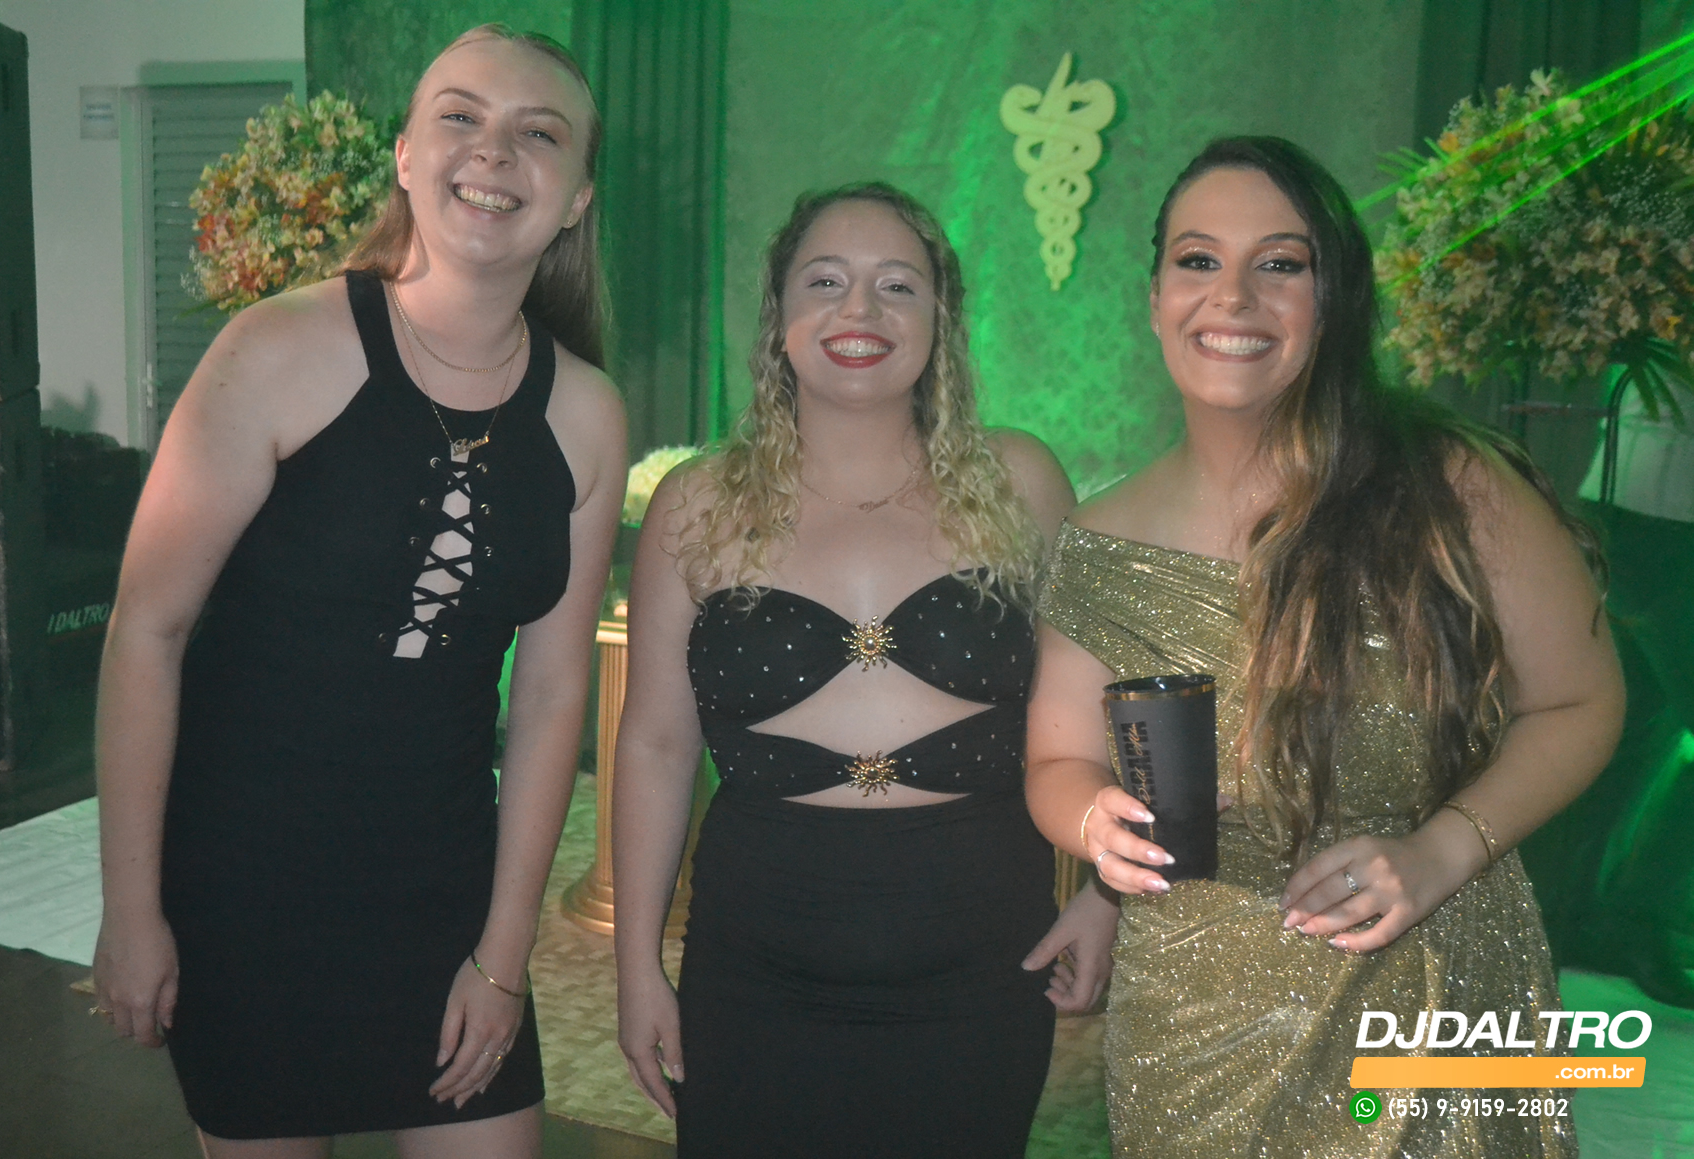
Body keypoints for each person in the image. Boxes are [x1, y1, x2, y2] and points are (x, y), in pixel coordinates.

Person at [1025, 137, 1624, 1157]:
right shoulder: (1099, 537)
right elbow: (1056, 758)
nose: (1234, 296)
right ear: (1156, 297)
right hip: (1189, 1016)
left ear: (1335, 297)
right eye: (1199, 260)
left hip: (1427, 987)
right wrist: (1096, 829)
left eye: (1281, 263)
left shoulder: (1450, 486)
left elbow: (1582, 702)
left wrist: (1438, 853)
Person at [91, 26, 625, 1158]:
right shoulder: (275, 347)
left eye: (539, 134)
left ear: (577, 198)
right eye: (461, 116)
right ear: (405, 155)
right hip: (244, 889)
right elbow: (149, 629)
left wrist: (504, 953)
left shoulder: (586, 411)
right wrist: (131, 911)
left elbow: (549, 697)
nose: (495, 152)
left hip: (442, 894)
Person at [612, 182, 1119, 1158]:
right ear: (779, 314)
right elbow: (656, 744)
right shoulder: (696, 503)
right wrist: (636, 966)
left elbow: (1105, 704)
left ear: (941, 319)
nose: (860, 310)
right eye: (825, 281)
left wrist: (1107, 892)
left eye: (896, 285)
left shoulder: (1020, 481)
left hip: (981, 963)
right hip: (754, 963)